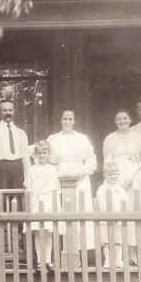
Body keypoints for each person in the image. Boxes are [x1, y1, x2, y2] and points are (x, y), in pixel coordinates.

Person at [47, 109, 98, 257]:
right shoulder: (53, 139)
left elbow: (91, 159)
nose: (67, 122)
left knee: (80, 211)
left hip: (80, 179)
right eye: (65, 119)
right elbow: (47, 158)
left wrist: (83, 171)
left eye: (70, 119)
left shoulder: (82, 138)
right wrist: (56, 173)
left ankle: (81, 253)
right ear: (60, 120)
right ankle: (64, 251)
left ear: (75, 121)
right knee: (63, 212)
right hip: (60, 178)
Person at [24, 140, 61, 269]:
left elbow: (56, 188)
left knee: (48, 232)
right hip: (36, 201)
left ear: (48, 154)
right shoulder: (32, 169)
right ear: (36, 154)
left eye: (45, 152)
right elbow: (28, 186)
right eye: (39, 153)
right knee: (38, 232)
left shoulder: (52, 169)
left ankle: (48, 260)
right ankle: (40, 260)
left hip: (48, 200)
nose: (42, 155)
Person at [95, 162, 129, 269]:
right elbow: (101, 203)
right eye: (110, 175)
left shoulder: (121, 189)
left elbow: (125, 202)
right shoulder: (102, 189)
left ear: (119, 174)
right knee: (107, 241)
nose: (113, 177)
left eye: (115, 174)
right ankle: (108, 261)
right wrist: (109, 214)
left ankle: (118, 260)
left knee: (118, 240)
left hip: (118, 219)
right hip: (106, 218)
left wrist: (119, 214)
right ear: (105, 175)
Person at [102, 109, 141, 189]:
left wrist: (133, 179)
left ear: (130, 120)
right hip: (115, 177)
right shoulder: (110, 138)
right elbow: (108, 162)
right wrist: (117, 180)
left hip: (135, 176)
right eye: (119, 119)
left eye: (125, 118)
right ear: (115, 121)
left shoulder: (138, 137)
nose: (122, 121)